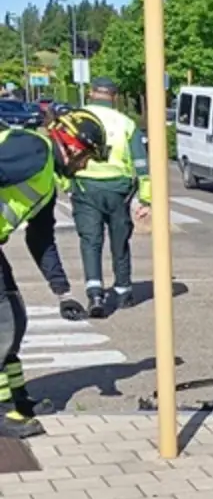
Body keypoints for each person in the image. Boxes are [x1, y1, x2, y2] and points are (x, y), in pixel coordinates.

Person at [0, 110, 102, 438]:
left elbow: (40, 239)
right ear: (71, 146)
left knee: (14, 316)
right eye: (86, 157)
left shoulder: (46, 181)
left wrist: (62, 292)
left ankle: (17, 400)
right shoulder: (33, 149)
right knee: (2, 322)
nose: (84, 166)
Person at [71, 78, 150, 318]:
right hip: (119, 190)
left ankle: (95, 292)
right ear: (115, 97)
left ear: (92, 93)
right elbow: (141, 162)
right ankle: (124, 291)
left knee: (90, 241)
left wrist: (66, 183)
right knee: (119, 241)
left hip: (85, 186)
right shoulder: (126, 123)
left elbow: (62, 154)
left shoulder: (76, 119)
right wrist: (146, 199)